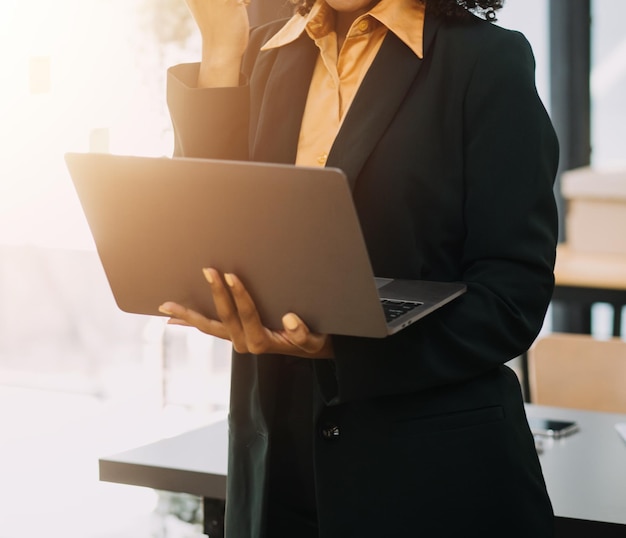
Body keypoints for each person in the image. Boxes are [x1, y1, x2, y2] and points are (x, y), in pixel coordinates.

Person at [159, 0, 559, 535]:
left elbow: (512, 297)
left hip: (429, 480)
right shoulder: (268, 54)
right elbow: (209, 234)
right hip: (280, 467)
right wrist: (223, 44)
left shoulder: (486, 60)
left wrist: (340, 346)